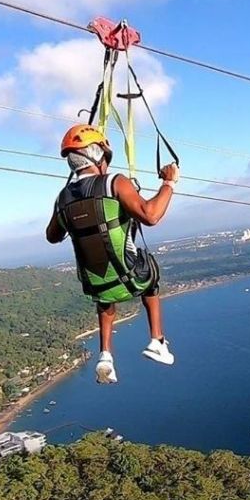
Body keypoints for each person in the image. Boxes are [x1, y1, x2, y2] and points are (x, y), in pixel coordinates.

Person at [46, 124, 179, 384]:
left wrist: (66, 212)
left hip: (97, 284)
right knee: (150, 273)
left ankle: (105, 355)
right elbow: (150, 215)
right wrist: (168, 182)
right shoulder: (114, 182)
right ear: (98, 156)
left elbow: (52, 236)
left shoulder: (63, 198)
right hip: (132, 277)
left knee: (105, 296)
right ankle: (157, 340)